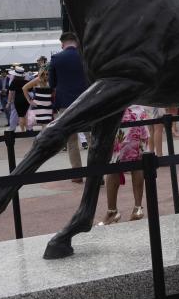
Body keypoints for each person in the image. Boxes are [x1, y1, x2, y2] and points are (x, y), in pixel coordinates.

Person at [97, 105, 152, 225]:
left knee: (113, 164)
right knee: (137, 163)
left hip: (121, 113)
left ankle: (112, 212)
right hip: (138, 113)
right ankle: (137, 208)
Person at [49, 32, 90, 181]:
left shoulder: (56, 59)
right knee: (91, 138)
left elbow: (52, 84)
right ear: (76, 42)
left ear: (62, 43)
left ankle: (77, 174)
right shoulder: (85, 56)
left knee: (71, 140)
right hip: (86, 101)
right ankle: (96, 172)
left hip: (65, 103)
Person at [7, 66, 30, 131]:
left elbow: (11, 92)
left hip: (18, 99)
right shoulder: (26, 81)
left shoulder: (14, 81)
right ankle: (28, 129)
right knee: (26, 115)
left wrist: (8, 102)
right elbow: (30, 89)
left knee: (21, 116)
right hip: (26, 98)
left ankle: (22, 130)